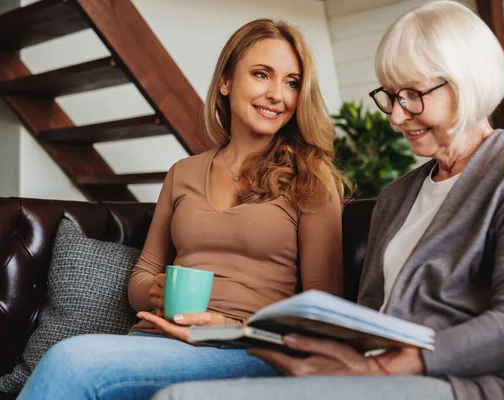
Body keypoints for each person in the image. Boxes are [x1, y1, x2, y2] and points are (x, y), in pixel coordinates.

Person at [151, 1, 504, 400]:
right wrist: (334, 357)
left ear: (466, 81)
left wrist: (385, 369)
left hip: (478, 385)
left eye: (411, 94)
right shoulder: (398, 196)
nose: (395, 115)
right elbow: (371, 316)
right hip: (384, 377)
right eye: (390, 97)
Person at [18, 18, 347, 400]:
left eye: (292, 82)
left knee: (72, 361)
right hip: (160, 337)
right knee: (73, 359)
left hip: (249, 349)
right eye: (261, 75)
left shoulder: (312, 177)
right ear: (225, 82)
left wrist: (225, 325)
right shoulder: (183, 172)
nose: (278, 94)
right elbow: (141, 277)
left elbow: (325, 312)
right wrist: (156, 292)